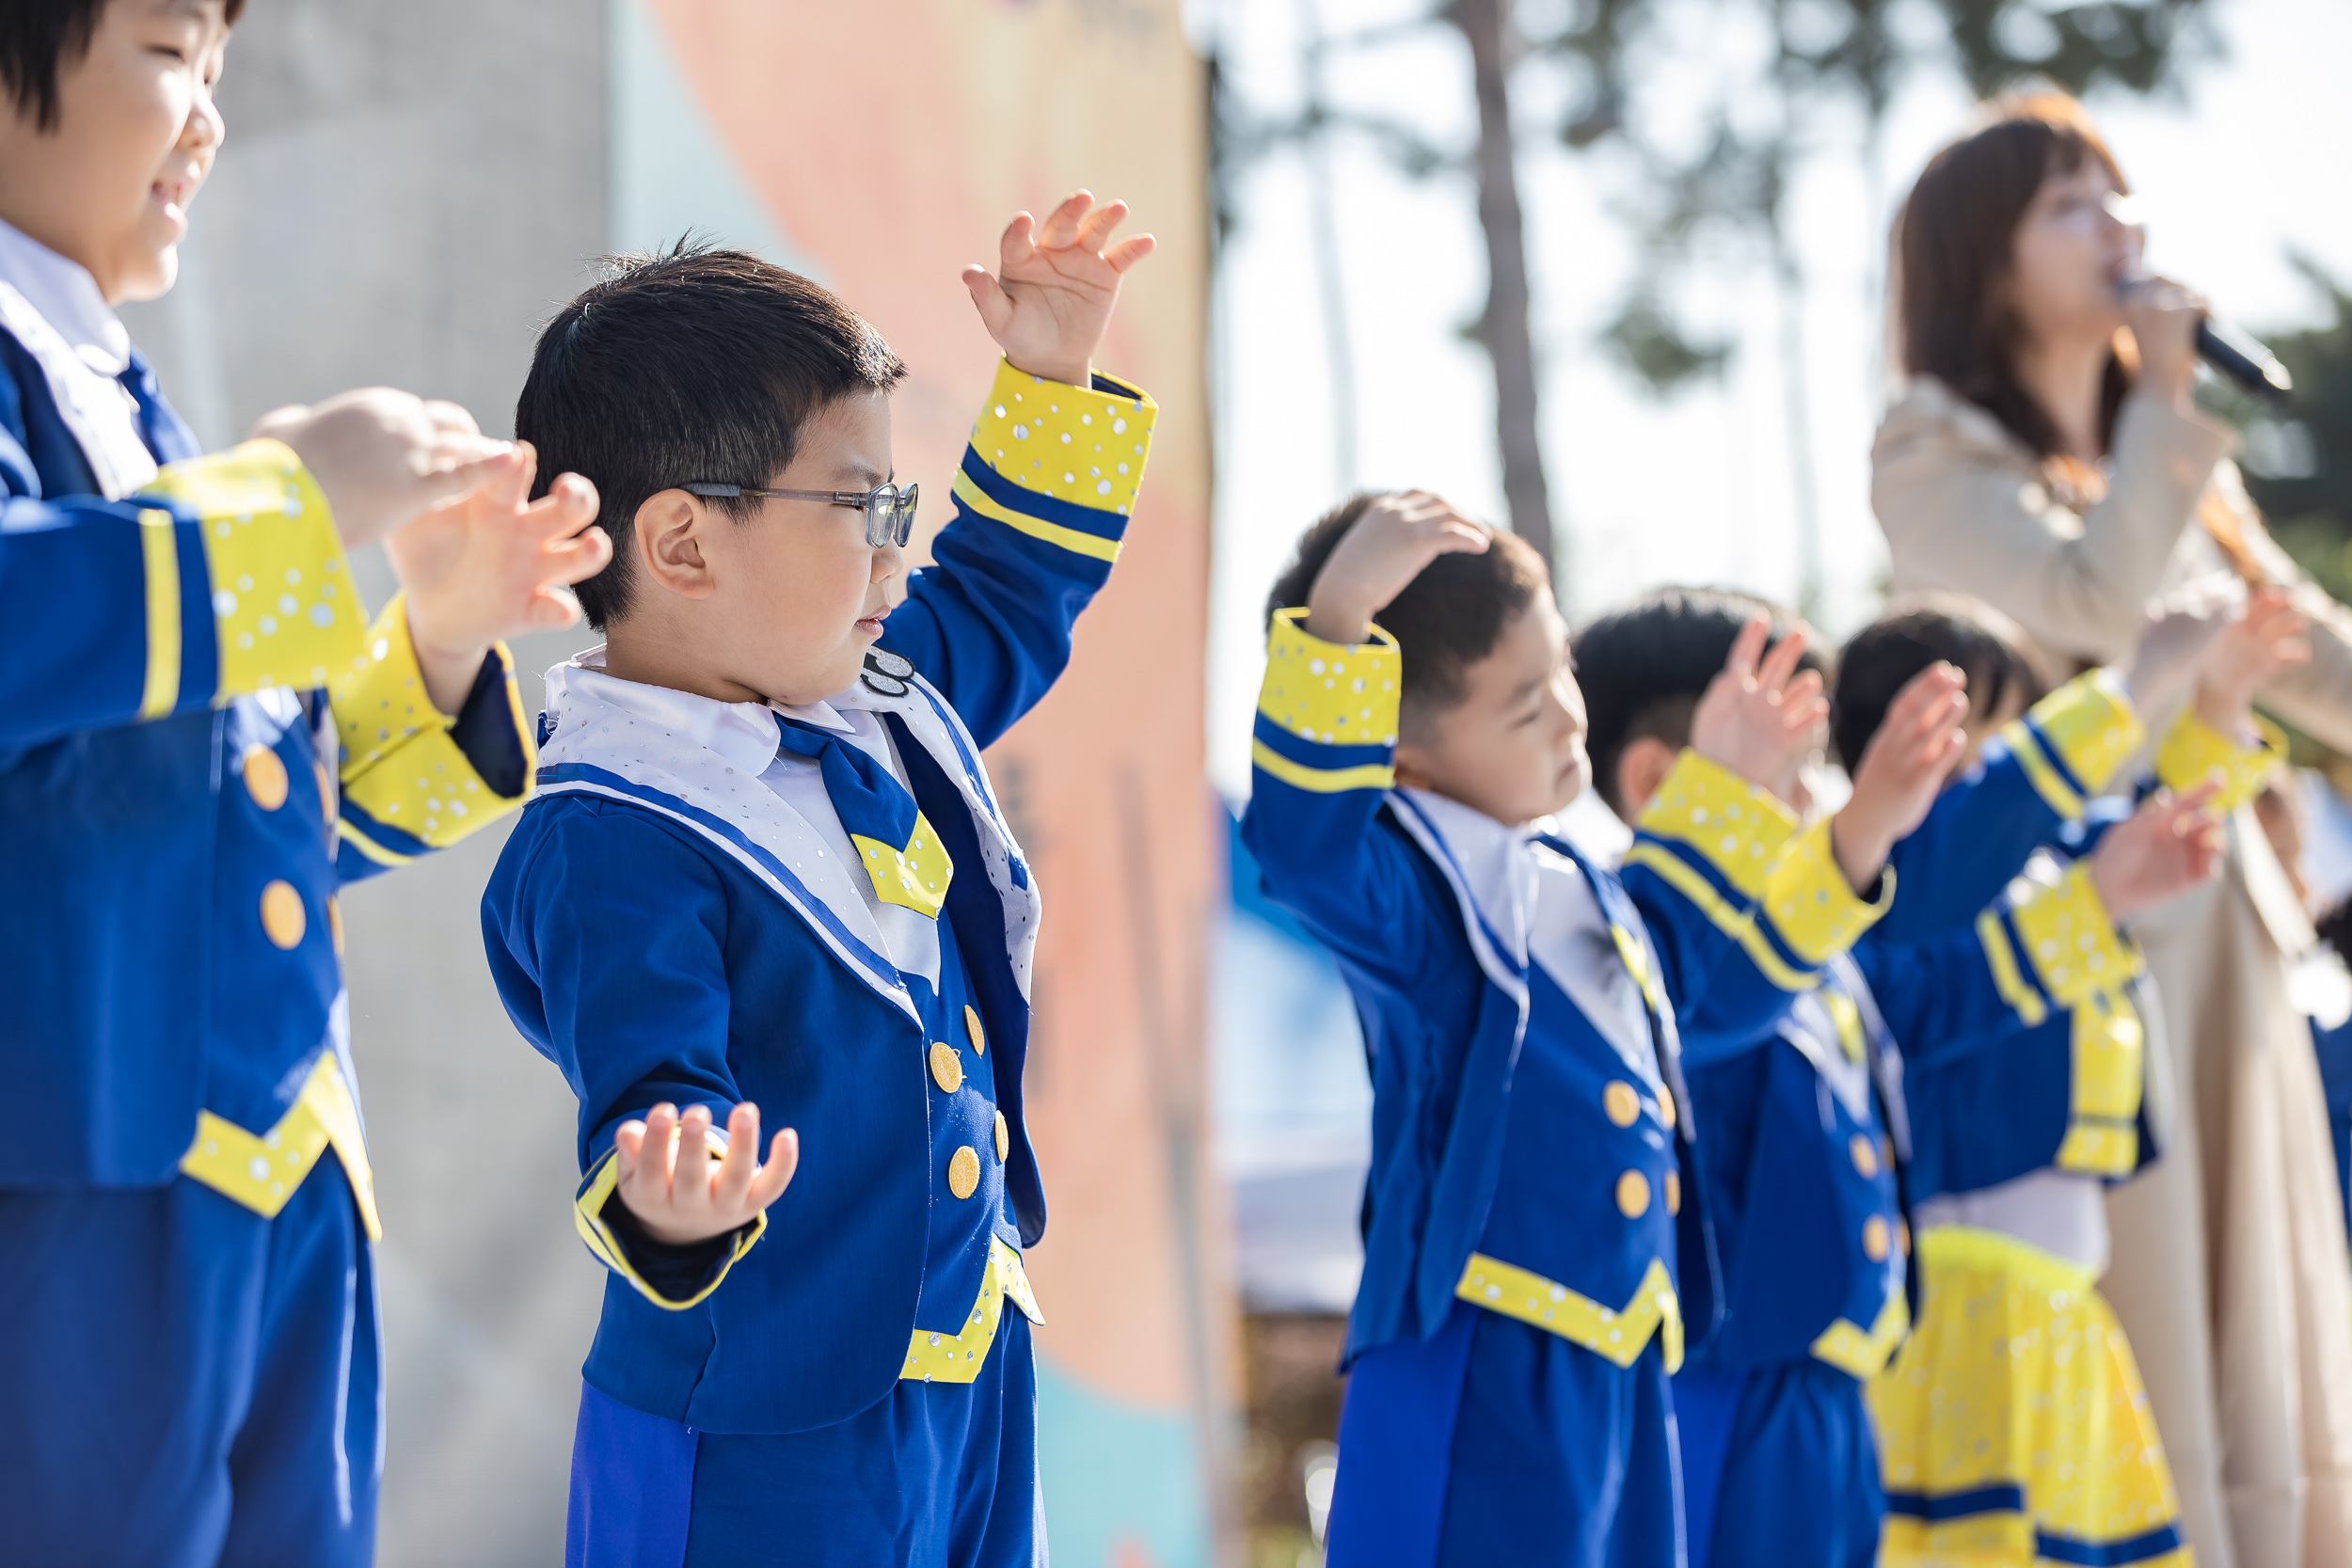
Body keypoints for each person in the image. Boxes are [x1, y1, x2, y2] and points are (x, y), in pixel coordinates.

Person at [0, 2, 612, 1563]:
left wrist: (445, 641)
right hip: (63, 1174)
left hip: (273, 1187)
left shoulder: (124, 400)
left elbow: (214, 817)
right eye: (166, 52)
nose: (206, 116)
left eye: (218, 69)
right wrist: (284, 509)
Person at [478, 195, 1156, 1564]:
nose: (898, 557)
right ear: (680, 544)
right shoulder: (614, 824)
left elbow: (1014, 585)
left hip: (964, 1376)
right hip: (766, 1423)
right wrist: (671, 1194)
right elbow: (651, 1076)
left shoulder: (875, 697)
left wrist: (1055, 375)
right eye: (866, 506)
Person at [1241, 494, 1963, 1566]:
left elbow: (1715, 986)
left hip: (1619, 1362)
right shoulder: (1414, 904)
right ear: (1405, 760)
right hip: (1482, 1357)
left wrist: (1760, 790)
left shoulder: (1575, 885)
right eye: (1526, 706)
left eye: (1562, 673)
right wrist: (1339, 615)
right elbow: (1305, 845)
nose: (1569, 717)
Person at [1875, 87, 2352, 1565]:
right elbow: (2077, 604)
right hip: (2085, 945)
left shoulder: (2174, 466)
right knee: (2148, 1313)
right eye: (2071, 205)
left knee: (2268, 1320)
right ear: (1983, 260)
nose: (2122, 230)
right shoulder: (1931, 453)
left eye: (2122, 197)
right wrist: (2157, 409)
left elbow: (2315, 658)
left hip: (2233, 933)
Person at [1572, 587, 2232, 1568]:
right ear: (1656, 776)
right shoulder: (1649, 955)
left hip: (1832, 1387)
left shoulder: (1812, 944)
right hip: (1733, 1385)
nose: (1813, 802)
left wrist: (2099, 899)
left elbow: (1934, 998)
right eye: (1784, 769)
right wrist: (1861, 833)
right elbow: (1712, 1009)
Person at [1836, 595, 2290, 1567]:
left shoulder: (2035, 863)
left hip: (2050, 1296)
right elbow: (2002, 807)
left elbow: (2149, 829)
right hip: (1964, 1297)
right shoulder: (1913, 860)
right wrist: (2136, 680)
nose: (2014, 765)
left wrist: (2216, 702)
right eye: (1985, 734)